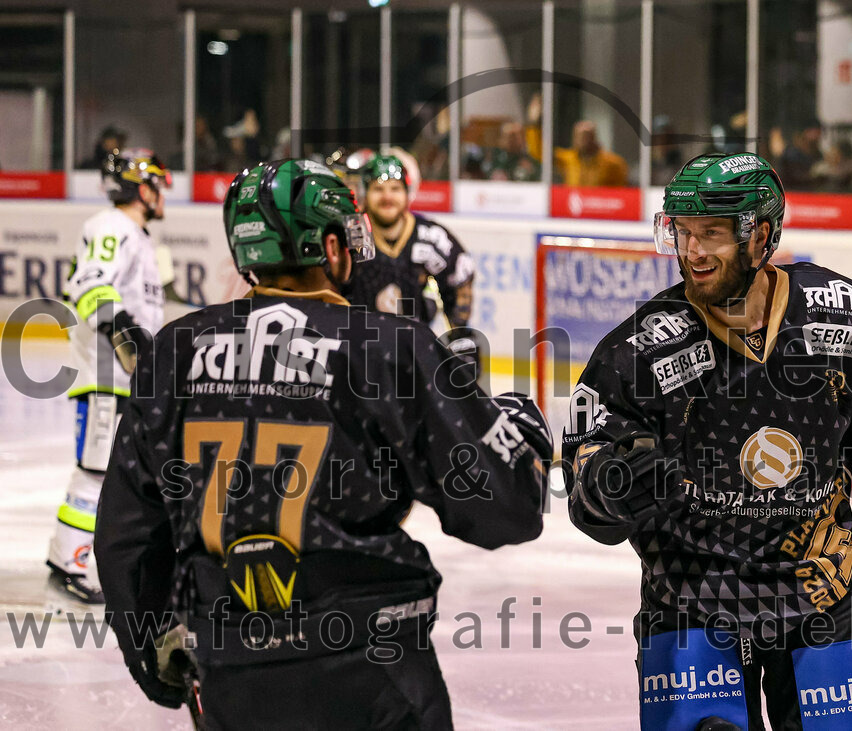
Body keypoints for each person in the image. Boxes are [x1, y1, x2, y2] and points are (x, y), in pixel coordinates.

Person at [94, 159, 551, 729]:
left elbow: (125, 535)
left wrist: (151, 654)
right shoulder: (391, 349)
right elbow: (501, 511)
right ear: (332, 249)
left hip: (229, 670)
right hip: (369, 666)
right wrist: (521, 437)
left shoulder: (173, 351)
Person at [562, 152, 852, 729]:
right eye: (682, 233)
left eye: (712, 234)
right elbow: (587, 482)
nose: (692, 252)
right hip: (692, 596)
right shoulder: (637, 353)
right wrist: (610, 488)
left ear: (760, 236)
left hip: (822, 587)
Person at [48, 149, 171, 604]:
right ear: (141, 188)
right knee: (96, 471)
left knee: (111, 470)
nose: (161, 194)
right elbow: (88, 284)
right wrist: (129, 343)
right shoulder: (112, 226)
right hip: (105, 376)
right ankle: (75, 561)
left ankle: (69, 554)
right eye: (156, 184)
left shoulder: (136, 237)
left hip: (118, 379)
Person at [347, 153, 481, 370]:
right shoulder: (350, 235)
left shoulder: (431, 236)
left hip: (413, 354)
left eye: (395, 189)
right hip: (357, 354)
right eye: (378, 189)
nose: (387, 197)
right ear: (365, 192)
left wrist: (461, 340)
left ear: (407, 193)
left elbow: (459, 280)